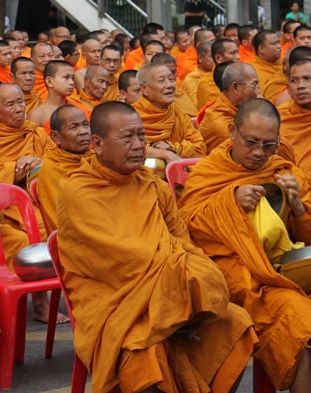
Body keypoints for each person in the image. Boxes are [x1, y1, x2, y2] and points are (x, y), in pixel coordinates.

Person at [56, 100, 256, 392]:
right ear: (97, 144)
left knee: (235, 323)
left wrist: (193, 274)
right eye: (127, 137)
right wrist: (188, 279)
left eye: (141, 135)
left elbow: (182, 241)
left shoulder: (154, 186)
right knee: (144, 351)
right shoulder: (78, 191)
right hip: (116, 302)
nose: (138, 145)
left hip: (164, 290)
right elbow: (119, 261)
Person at [179, 98, 311, 392]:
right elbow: (186, 229)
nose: (258, 153)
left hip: (284, 269)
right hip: (238, 275)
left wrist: (298, 208)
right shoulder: (210, 172)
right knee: (299, 315)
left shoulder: (283, 169)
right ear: (232, 131)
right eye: (251, 142)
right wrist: (230, 203)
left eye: (268, 145)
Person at [0, 83, 69, 324]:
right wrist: (17, 170)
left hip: (39, 200)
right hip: (7, 211)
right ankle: (40, 304)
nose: (18, 109)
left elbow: (56, 162)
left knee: (63, 228)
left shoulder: (36, 133)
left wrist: (36, 162)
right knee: (29, 239)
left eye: (20, 103)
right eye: (10, 105)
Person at [133, 63, 206, 164]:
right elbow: (126, 148)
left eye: (171, 79)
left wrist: (173, 147)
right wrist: (165, 154)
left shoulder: (178, 114)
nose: (169, 85)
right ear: (144, 89)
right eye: (161, 81)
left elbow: (200, 148)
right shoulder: (132, 116)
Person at [36, 104, 92, 231]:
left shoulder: (98, 158)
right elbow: (64, 221)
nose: (83, 131)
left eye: (85, 124)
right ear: (56, 137)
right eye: (74, 127)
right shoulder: (52, 169)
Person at [199, 62, 260, 152]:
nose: (258, 92)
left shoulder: (243, 109)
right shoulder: (222, 125)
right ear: (235, 87)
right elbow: (252, 150)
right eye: (254, 85)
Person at [196, 38, 240, 110]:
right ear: (218, 58)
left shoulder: (241, 76)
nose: (238, 57)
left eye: (238, 52)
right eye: (232, 53)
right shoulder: (207, 85)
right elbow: (212, 115)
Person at [251, 30, 286, 101]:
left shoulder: (286, 64)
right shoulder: (253, 72)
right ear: (261, 49)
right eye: (274, 44)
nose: (279, 46)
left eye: (278, 43)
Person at [182, 41, 214, 108]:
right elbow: (196, 105)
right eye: (211, 57)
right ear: (200, 58)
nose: (215, 60)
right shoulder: (191, 79)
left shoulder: (217, 74)